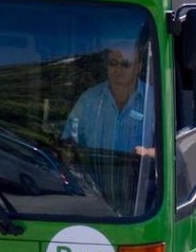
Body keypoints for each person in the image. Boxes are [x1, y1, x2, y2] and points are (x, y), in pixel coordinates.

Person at [62, 40, 155, 209]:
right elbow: (67, 143)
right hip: (92, 194)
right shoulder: (88, 100)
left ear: (138, 67)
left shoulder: (155, 101)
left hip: (139, 194)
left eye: (125, 64)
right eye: (113, 63)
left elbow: (175, 151)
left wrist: (148, 153)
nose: (118, 70)